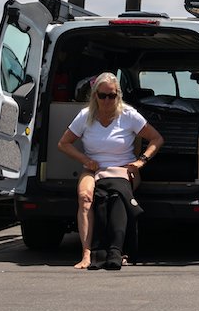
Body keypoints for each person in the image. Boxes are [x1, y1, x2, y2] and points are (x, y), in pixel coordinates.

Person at [58, 72, 164, 270]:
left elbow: (156, 139)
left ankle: (116, 250)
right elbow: (63, 143)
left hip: (122, 168)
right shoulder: (85, 116)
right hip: (94, 168)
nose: (107, 100)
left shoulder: (128, 115)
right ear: (95, 95)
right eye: (102, 95)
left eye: (112, 95)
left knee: (116, 195)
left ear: (118, 96)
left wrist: (141, 161)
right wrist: (85, 160)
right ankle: (87, 253)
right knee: (85, 196)